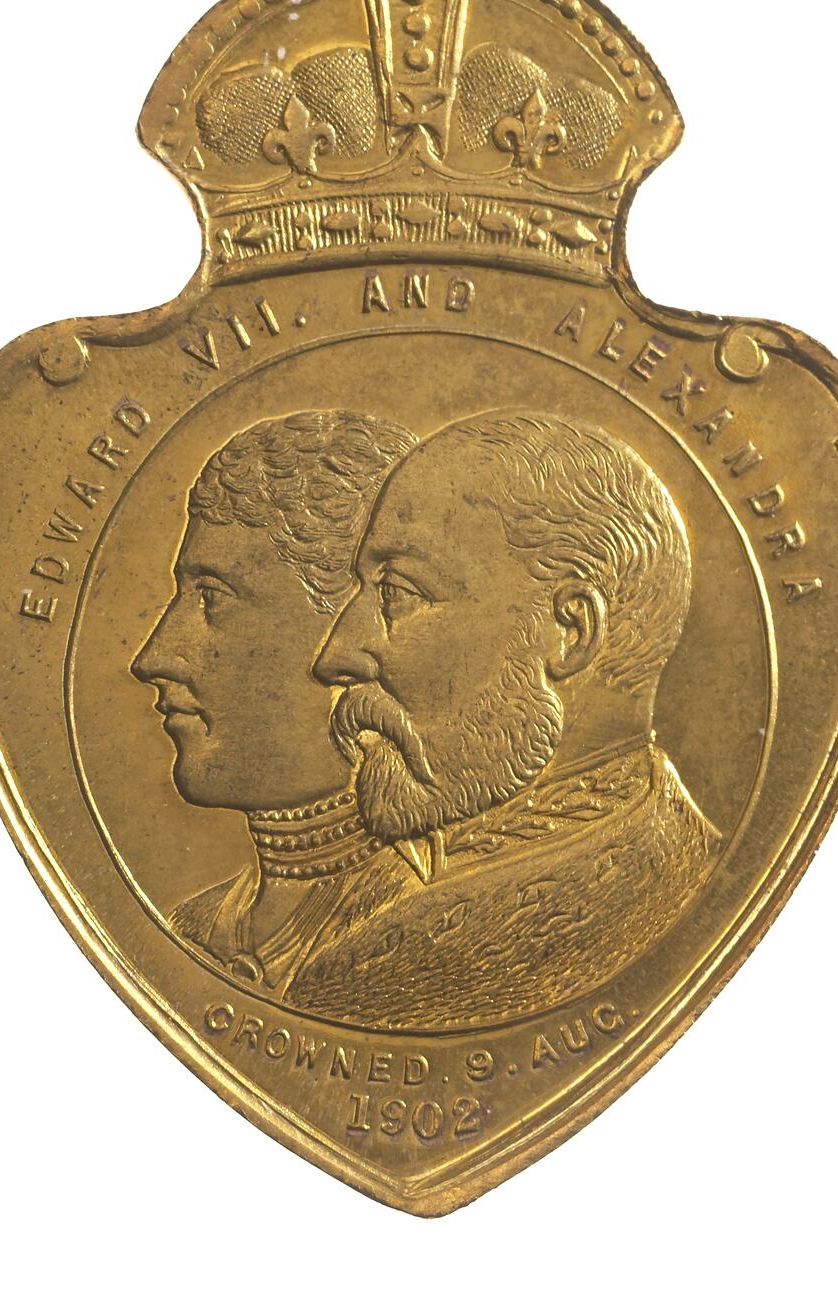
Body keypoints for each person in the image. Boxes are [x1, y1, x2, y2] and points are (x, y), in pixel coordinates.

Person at [283, 410, 722, 1028]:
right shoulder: (376, 893)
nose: (334, 656)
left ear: (570, 632)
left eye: (397, 594)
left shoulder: (669, 891)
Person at [130, 409, 414, 983]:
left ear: (350, 626)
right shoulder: (192, 929)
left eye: (212, 598)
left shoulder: (434, 926)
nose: (152, 658)